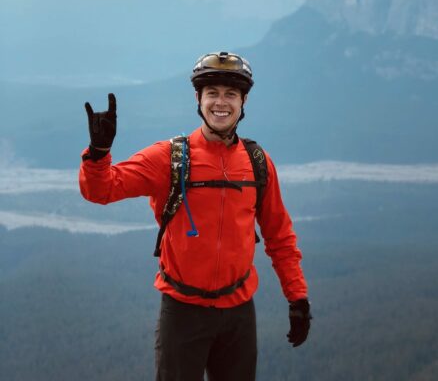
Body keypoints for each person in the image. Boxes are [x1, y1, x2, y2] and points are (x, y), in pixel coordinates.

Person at [79, 52, 311, 381]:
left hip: (238, 313)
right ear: (198, 99)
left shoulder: (258, 162)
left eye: (231, 94)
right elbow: (101, 191)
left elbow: (279, 236)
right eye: (212, 93)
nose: (221, 103)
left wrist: (297, 298)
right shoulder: (169, 157)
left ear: (244, 101)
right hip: (182, 312)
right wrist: (98, 153)